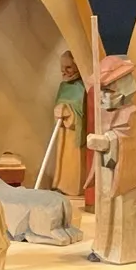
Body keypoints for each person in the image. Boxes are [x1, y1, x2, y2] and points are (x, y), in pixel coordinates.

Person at [85, 55, 136, 264]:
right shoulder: (104, 113)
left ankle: (124, 252)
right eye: (102, 91)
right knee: (104, 210)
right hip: (106, 171)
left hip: (122, 175)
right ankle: (102, 247)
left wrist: (107, 141)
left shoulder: (131, 113)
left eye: (109, 91)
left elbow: (130, 142)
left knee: (122, 212)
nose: (103, 97)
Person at [50, 50, 90, 196]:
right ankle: (60, 184)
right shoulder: (63, 86)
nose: (64, 72)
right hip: (63, 132)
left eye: (68, 68)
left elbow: (83, 112)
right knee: (61, 158)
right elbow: (58, 103)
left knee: (73, 160)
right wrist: (58, 110)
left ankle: (73, 187)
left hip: (74, 133)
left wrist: (69, 112)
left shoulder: (83, 88)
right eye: (62, 68)